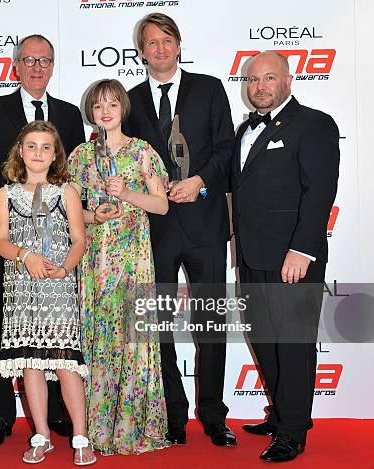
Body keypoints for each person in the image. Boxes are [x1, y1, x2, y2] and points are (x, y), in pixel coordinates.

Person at [123, 12, 236, 446]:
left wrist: (200, 182)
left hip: (206, 223)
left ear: (179, 44)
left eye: (167, 40)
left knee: (211, 323)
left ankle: (212, 413)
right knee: (160, 326)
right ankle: (173, 413)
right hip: (155, 229)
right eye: (151, 42)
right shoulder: (129, 102)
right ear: (142, 51)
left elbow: (226, 148)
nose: (160, 49)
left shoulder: (208, 88)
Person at [0, 34, 85, 447]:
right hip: (11, 240)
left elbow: (75, 181)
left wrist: (83, 230)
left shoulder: (71, 115)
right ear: (16, 64)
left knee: (56, 334)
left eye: (45, 60)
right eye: (29, 60)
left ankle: (56, 417)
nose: (37, 67)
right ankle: (0, 416)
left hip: (59, 246)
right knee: (3, 326)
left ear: (53, 66)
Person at [231, 51, 339, 462]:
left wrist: (303, 250)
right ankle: (280, 414)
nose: (260, 86)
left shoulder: (314, 124)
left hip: (293, 257)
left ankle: (293, 431)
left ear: (288, 80)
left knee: (293, 344)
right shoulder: (245, 130)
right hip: (253, 254)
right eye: (253, 79)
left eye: (269, 78)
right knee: (265, 339)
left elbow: (320, 192)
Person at [68, 79, 169, 455]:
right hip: (94, 261)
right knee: (98, 338)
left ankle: (133, 427)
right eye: (98, 106)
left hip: (132, 261)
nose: (105, 111)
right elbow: (69, 211)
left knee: (132, 340)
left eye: (112, 104)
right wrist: (94, 215)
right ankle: (91, 429)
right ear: (90, 112)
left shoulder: (142, 152)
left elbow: (162, 206)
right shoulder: (79, 156)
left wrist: (127, 194)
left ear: (123, 108)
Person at [0, 120, 95, 466]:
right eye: (31, 146)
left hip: (59, 287)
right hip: (21, 287)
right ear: (20, 151)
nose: (38, 153)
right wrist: (26, 256)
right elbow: (0, 242)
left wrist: (64, 268)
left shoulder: (67, 192)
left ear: (55, 155)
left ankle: (81, 436)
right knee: (30, 365)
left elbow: (80, 240)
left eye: (45, 147)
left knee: (67, 365)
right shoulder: (4, 195)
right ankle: (41, 435)